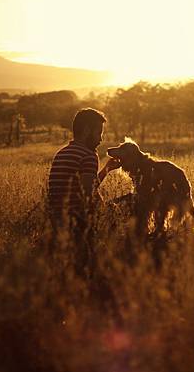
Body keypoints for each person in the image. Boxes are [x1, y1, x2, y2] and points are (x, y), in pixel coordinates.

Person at [47, 108, 120, 276]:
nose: (101, 138)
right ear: (87, 130)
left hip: (57, 219)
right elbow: (89, 193)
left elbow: (81, 186)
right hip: (78, 221)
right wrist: (107, 212)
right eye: (99, 132)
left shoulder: (61, 153)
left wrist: (106, 170)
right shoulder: (88, 155)